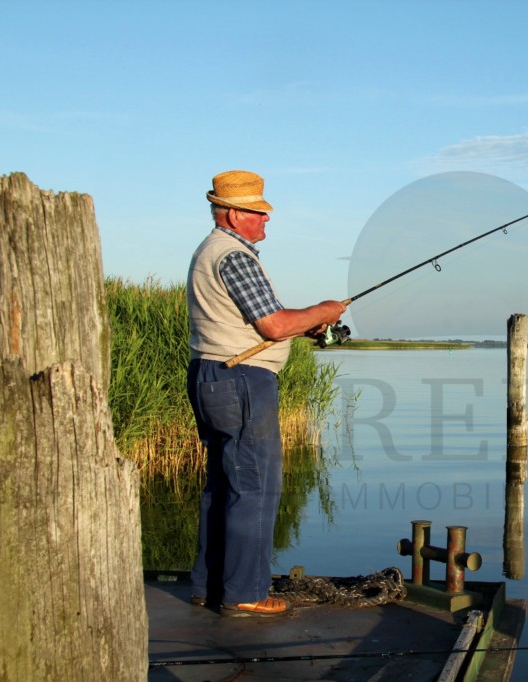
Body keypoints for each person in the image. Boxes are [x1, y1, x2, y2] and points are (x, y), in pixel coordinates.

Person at [187, 170, 346, 616]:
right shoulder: (233, 256)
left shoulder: (210, 251)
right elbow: (273, 325)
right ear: (235, 213)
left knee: (222, 486)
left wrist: (308, 323)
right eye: (259, 213)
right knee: (254, 487)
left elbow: (267, 321)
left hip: (210, 374)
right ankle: (245, 593)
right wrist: (324, 310)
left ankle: (208, 585)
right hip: (242, 381)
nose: (265, 221)